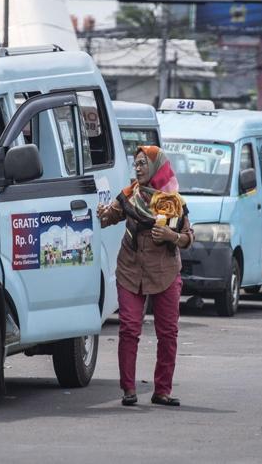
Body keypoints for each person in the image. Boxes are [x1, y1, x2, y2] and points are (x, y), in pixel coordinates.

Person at [97, 146, 193, 406]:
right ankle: (128, 390)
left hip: (165, 272)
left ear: (155, 167)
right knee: (128, 328)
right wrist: (103, 214)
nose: (138, 168)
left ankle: (162, 390)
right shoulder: (130, 195)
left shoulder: (173, 200)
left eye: (143, 164)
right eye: (136, 164)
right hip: (131, 270)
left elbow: (188, 237)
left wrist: (171, 236)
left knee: (168, 332)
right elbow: (111, 215)